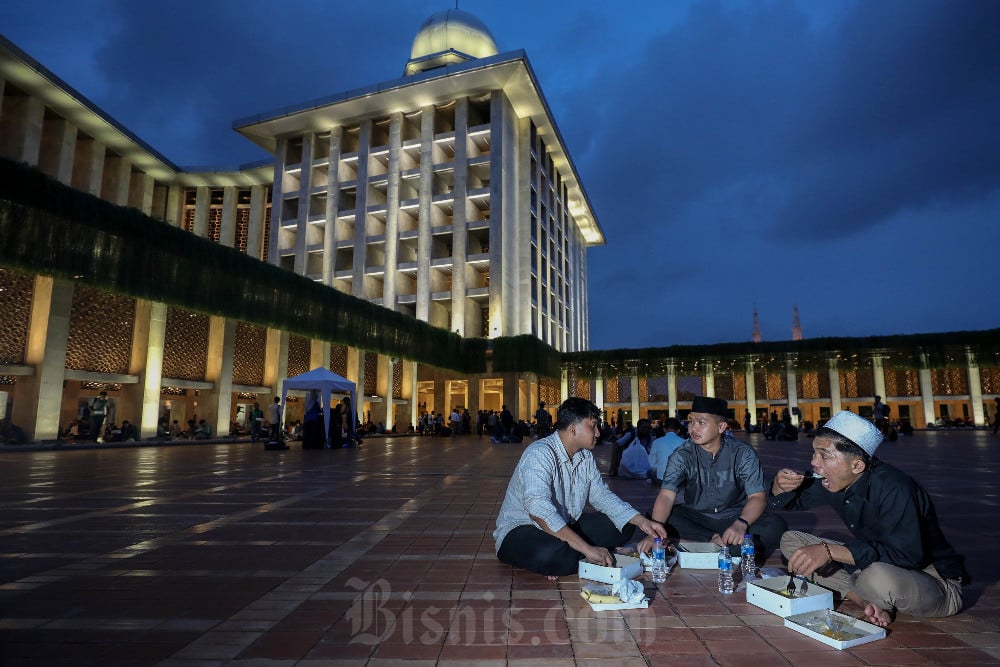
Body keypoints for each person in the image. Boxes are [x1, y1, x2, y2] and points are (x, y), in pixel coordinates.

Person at [770, 411, 968, 628]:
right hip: (874, 564)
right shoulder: (835, 480)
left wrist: (829, 551)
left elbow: (907, 556)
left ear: (857, 465)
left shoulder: (895, 488)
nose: (814, 462)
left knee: (875, 578)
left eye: (824, 455)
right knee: (791, 541)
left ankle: (866, 590)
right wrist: (779, 487)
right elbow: (793, 502)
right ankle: (867, 601)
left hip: (933, 579)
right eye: (814, 453)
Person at [493, 397, 667, 578]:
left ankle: (573, 554)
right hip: (521, 529)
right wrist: (586, 548)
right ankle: (575, 554)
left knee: (623, 526)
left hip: (563, 524)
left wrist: (641, 521)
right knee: (554, 553)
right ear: (573, 428)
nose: (598, 433)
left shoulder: (585, 457)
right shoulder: (539, 453)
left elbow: (602, 496)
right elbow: (538, 510)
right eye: (593, 426)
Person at [638, 396, 787, 563]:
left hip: (735, 516)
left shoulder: (742, 453)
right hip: (697, 519)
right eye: (691, 421)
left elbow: (757, 497)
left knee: (775, 524)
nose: (693, 428)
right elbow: (666, 496)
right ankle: (719, 543)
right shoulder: (682, 455)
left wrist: (741, 523)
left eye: (701, 423)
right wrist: (655, 534)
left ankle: (708, 546)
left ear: (721, 426)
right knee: (655, 514)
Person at [647, 417, 684, 484]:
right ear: (678, 430)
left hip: (661, 479)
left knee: (650, 472)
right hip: (680, 480)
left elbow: (651, 464)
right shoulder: (685, 443)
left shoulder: (656, 442)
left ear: (664, 430)